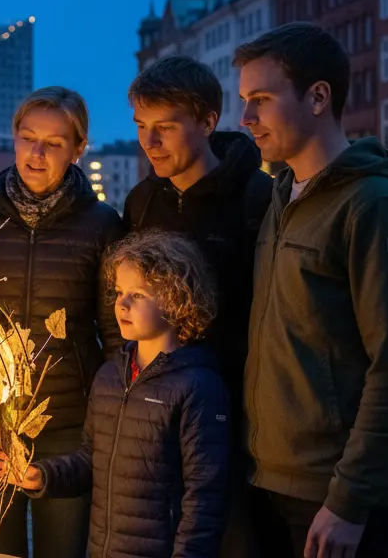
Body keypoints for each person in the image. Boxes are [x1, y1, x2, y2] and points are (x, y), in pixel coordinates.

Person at [236, 22, 388, 558]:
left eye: (261, 99)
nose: (245, 118)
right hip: (275, 481)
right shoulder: (284, 197)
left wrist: (349, 500)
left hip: (339, 499)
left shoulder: (376, 205)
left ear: (318, 96)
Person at [0, 86, 124, 558]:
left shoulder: (102, 224)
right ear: (13, 139)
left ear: (78, 149)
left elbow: (114, 335)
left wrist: (109, 417)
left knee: (63, 549)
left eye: (53, 143)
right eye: (28, 138)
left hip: (66, 423)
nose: (37, 152)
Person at [0, 229, 229, 558]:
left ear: (176, 301)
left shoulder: (197, 386)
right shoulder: (110, 377)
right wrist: (42, 475)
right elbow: (91, 459)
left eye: (138, 295)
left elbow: (205, 497)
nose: (122, 304)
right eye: (119, 292)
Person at [124, 56, 272, 557]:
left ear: (208, 122)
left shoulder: (257, 198)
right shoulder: (142, 202)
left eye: (165, 127)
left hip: (234, 415)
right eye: (142, 127)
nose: (151, 142)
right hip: (158, 414)